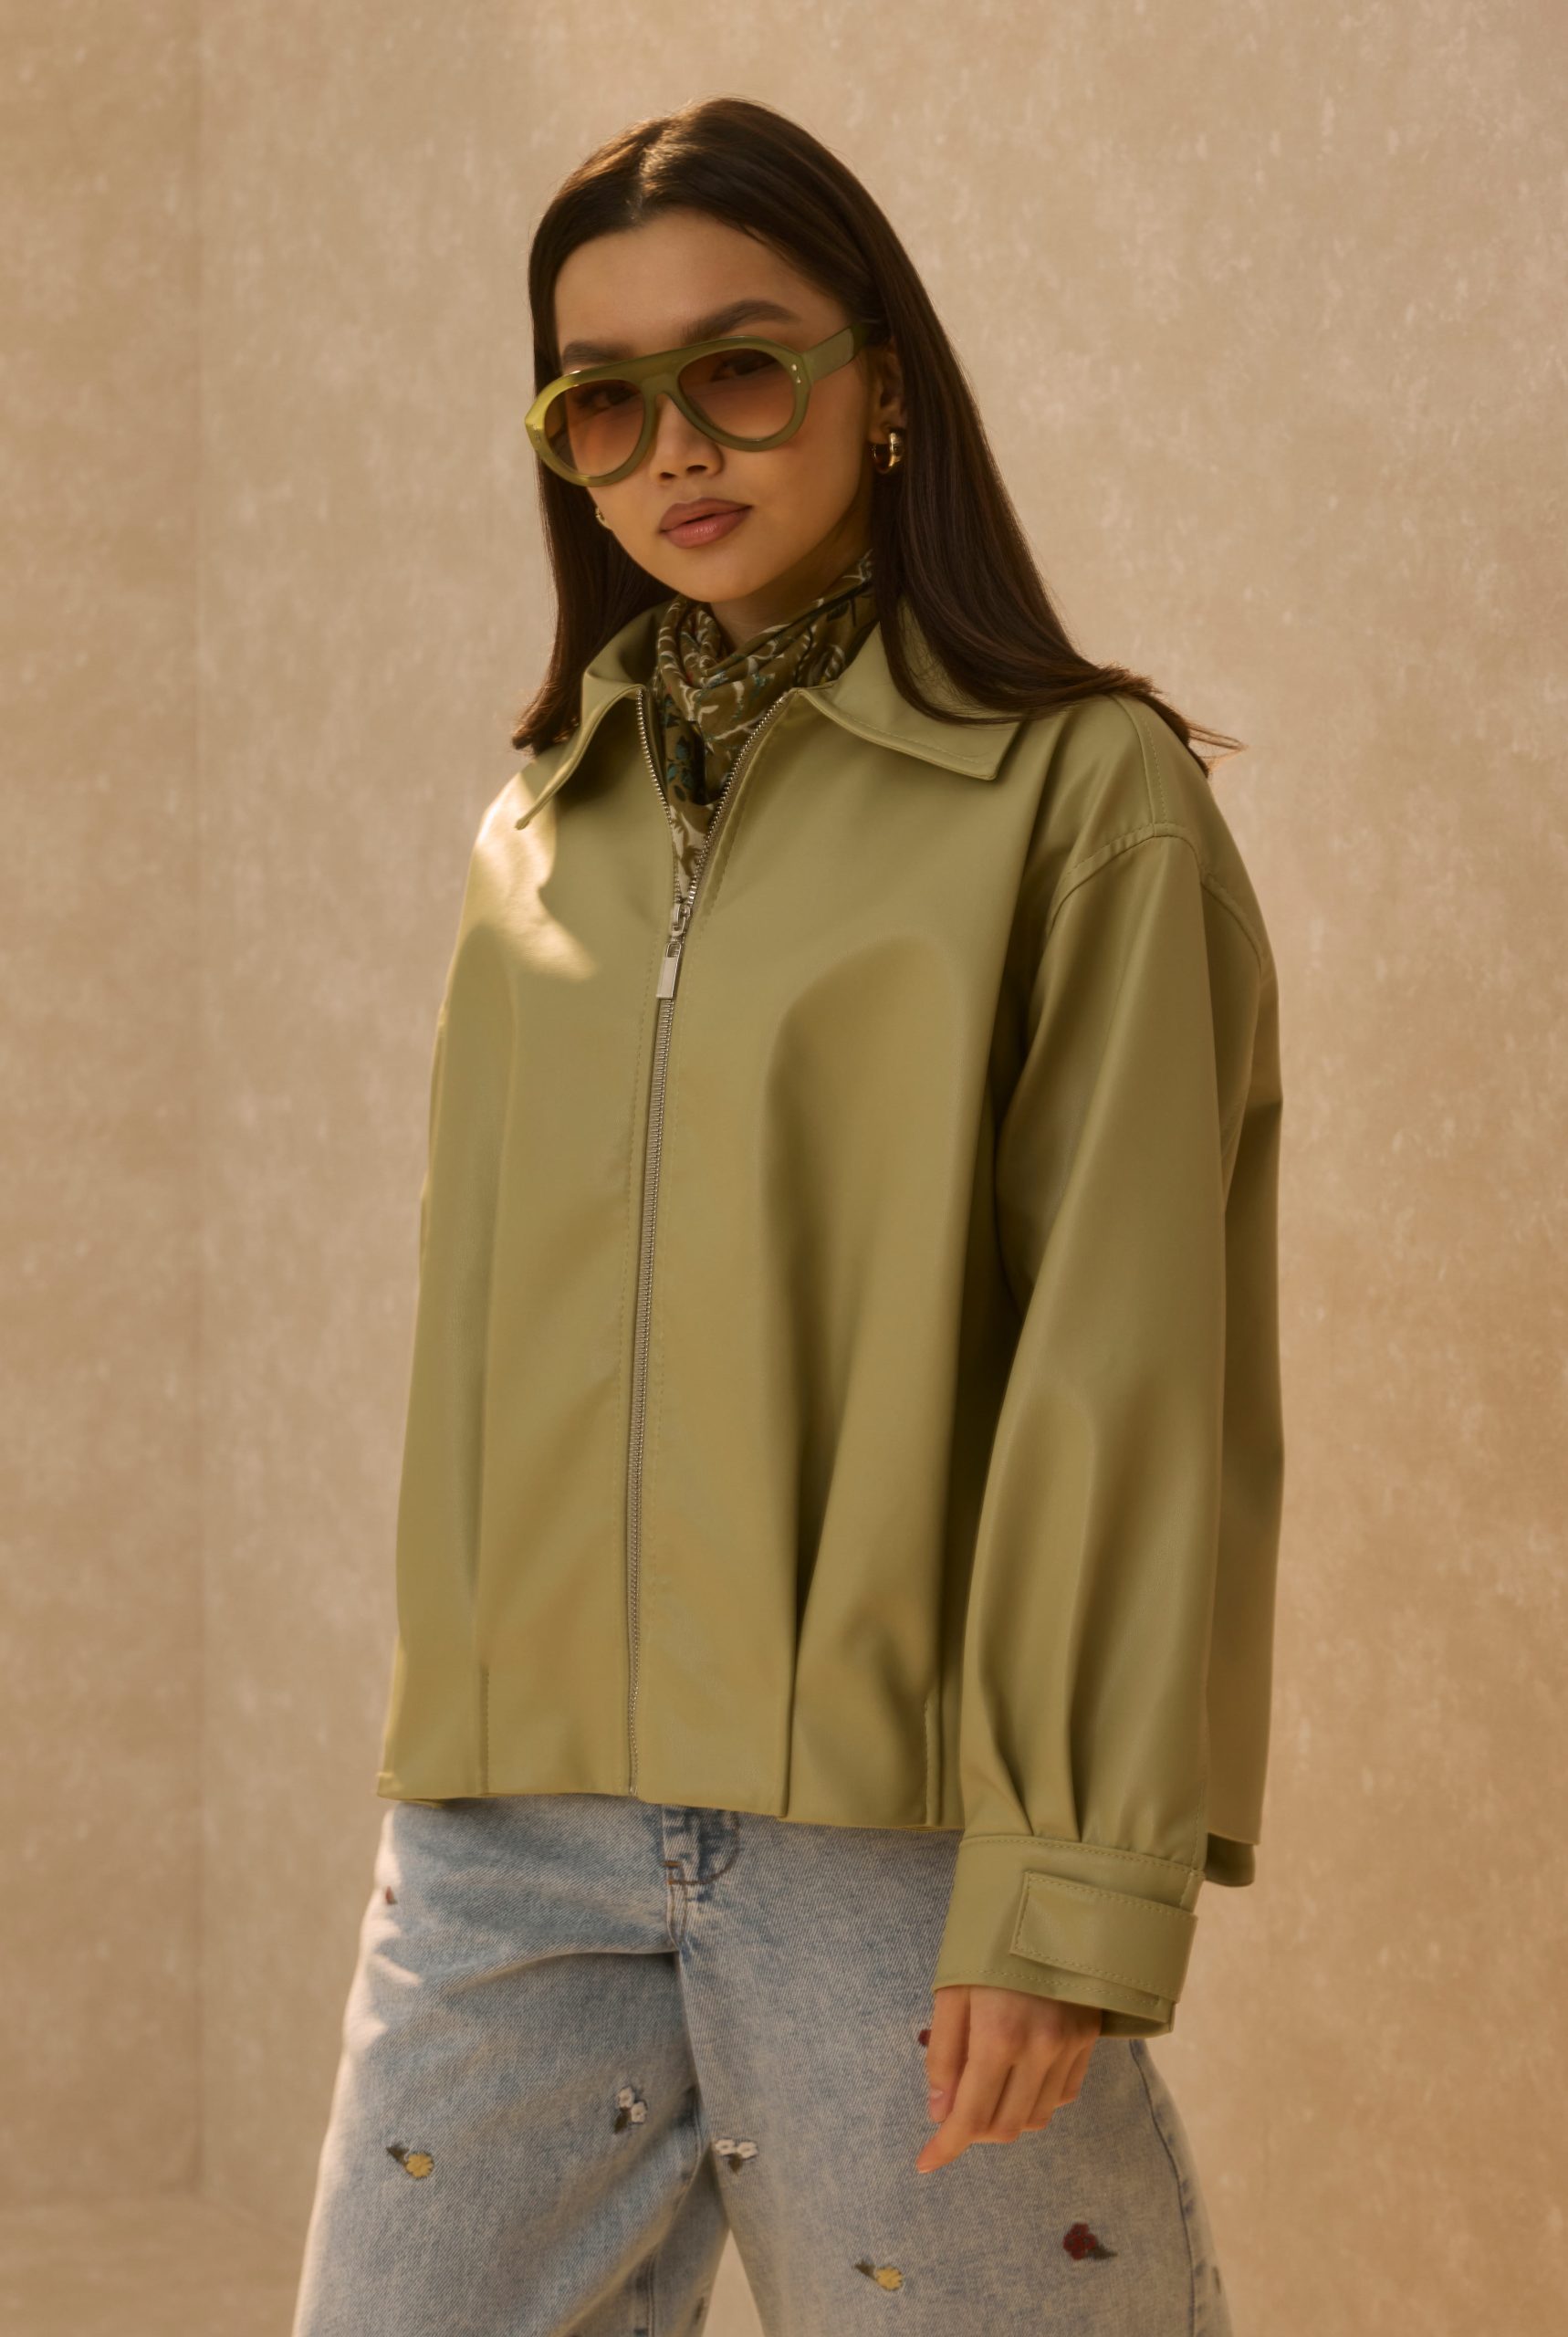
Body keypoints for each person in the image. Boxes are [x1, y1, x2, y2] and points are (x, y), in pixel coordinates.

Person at [291, 94, 1281, 2337]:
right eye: (601, 399)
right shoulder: (542, 828)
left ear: (880, 377)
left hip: (897, 1838)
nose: (674, 446)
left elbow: (1124, 1358)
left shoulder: (1079, 798)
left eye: (738, 366)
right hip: (512, 1826)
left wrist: (1063, 1879)